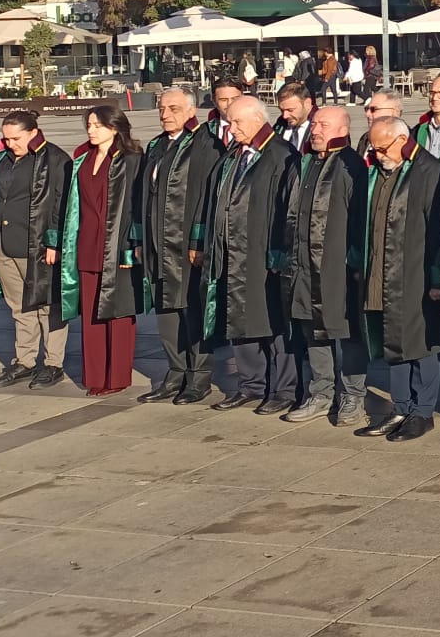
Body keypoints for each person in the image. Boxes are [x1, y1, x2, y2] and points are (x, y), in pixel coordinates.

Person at [354, 116, 440, 441]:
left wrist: (437, 277)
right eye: (373, 147)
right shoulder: (378, 172)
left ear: (400, 139)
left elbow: (438, 230)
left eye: (381, 147)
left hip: (415, 274)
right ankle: (400, 406)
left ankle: (422, 412)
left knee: (420, 344)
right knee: (392, 340)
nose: (377, 153)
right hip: (380, 272)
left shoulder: (427, 171)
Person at [204, 96, 300, 412]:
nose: (231, 129)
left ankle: (284, 389)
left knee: (272, 323)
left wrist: (280, 254)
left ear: (258, 120)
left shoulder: (281, 156)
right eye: (229, 122)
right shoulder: (234, 156)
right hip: (234, 254)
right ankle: (251, 384)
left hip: (265, 256)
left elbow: (289, 210)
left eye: (236, 122)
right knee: (239, 319)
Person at [134, 89, 225, 403]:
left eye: (173, 108)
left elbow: (207, 197)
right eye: (161, 108)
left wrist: (199, 240)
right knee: (166, 310)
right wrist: (138, 240)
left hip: (186, 246)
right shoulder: (157, 146)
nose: (165, 114)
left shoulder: (205, 144)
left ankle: (199, 376)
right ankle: (175, 372)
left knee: (192, 310)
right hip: (157, 243)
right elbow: (142, 197)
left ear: (190, 110)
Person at [282, 105, 368, 424]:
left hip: (338, 265)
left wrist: (356, 260)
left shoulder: (351, 165)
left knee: (346, 331)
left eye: (323, 125)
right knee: (310, 327)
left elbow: (360, 218)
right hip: (303, 263)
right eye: (315, 123)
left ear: (342, 129)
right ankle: (320, 392)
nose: (315, 129)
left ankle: (353, 395)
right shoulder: (304, 162)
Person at [0, 112, 74, 390]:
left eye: (15, 138)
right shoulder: (2, 160)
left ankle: (53, 363)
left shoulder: (55, 159)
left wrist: (54, 241)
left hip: (37, 245)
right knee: (19, 307)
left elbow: (61, 204)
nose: (9, 144)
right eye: (5, 138)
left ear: (33, 132)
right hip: (4, 244)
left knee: (47, 306)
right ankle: (25, 360)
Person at [59, 106, 141, 397]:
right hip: (87, 245)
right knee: (91, 315)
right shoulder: (83, 160)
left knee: (118, 314)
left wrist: (132, 246)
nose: (91, 130)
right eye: (89, 125)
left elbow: (136, 206)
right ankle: (95, 375)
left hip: (118, 247)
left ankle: (117, 376)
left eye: (97, 125)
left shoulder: (131, 160)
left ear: (115, 127)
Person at [275, 82, 314, 155]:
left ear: (307, 103)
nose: (285, 116)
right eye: (281, 110)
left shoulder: (321, 128)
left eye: (290, 110)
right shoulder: (280, 125)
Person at [205, 76, 245, 148]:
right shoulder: (205, 131)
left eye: (235, 99)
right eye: (223, 100)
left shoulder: (255, 130)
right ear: (214, 101)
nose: (230, 104)